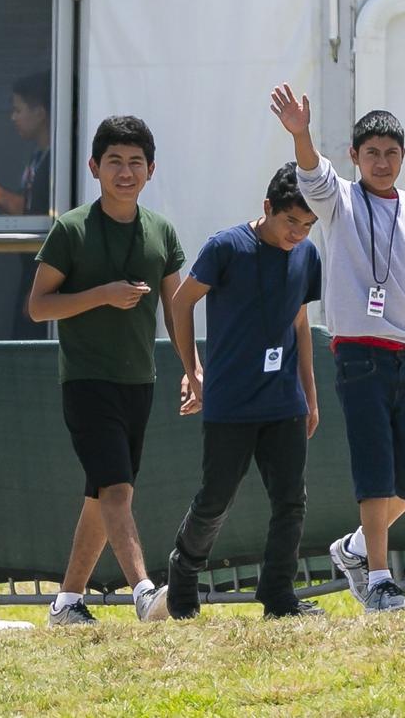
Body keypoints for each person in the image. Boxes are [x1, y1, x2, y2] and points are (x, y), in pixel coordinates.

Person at [271, 83, 405, 613]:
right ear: (354, 157)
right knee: (375, 466)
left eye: (392, 153)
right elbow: (311, 173)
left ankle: (355, 549)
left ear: (403, 157)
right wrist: (301, 133)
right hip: (358, 353)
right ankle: (379, 580)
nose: (382, 162)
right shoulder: (340, 202)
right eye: (372, 152)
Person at [28, 116, 195, 626]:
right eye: (115, 162)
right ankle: (144, 592)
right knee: (118, 489)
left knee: (101, 494)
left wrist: (193, 369)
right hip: (86, 380)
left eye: (136, 163)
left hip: (139, 381)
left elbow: (177, 308)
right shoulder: (72, 228)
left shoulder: (161, 230)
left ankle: (67, 602)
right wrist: (101, 295)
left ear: (151, 170)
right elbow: (38, 307)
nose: (126, 172)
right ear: (94, 167)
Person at [166, 163, 323, 620]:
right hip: (230, 401)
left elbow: (300, 323)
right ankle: (184, 576)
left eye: (307, 225)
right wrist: (192, 367)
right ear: (267, 208)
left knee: (292, 500)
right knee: (216, 498)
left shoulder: (307, 255)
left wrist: (310, 396)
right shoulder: (226, 246)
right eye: (290, 221)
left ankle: (278, 596)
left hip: (285, 401)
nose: (298, 232)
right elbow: (181, 301)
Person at [0, 71, 53, 216]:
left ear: (40, 113)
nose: (13, 117)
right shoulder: (38, 157)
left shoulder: (54, 163)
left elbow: (28, 211)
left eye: (18, 110)